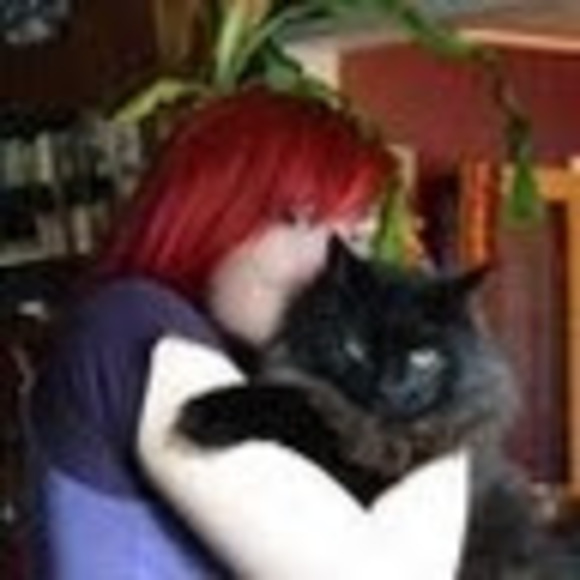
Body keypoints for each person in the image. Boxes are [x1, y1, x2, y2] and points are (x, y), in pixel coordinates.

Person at [27, 85, 469, 579]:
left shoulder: (249, 370)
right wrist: (448, 380)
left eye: (351, 235)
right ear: (209, 205)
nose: (331, 267)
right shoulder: (135, 323)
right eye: (301, 219)